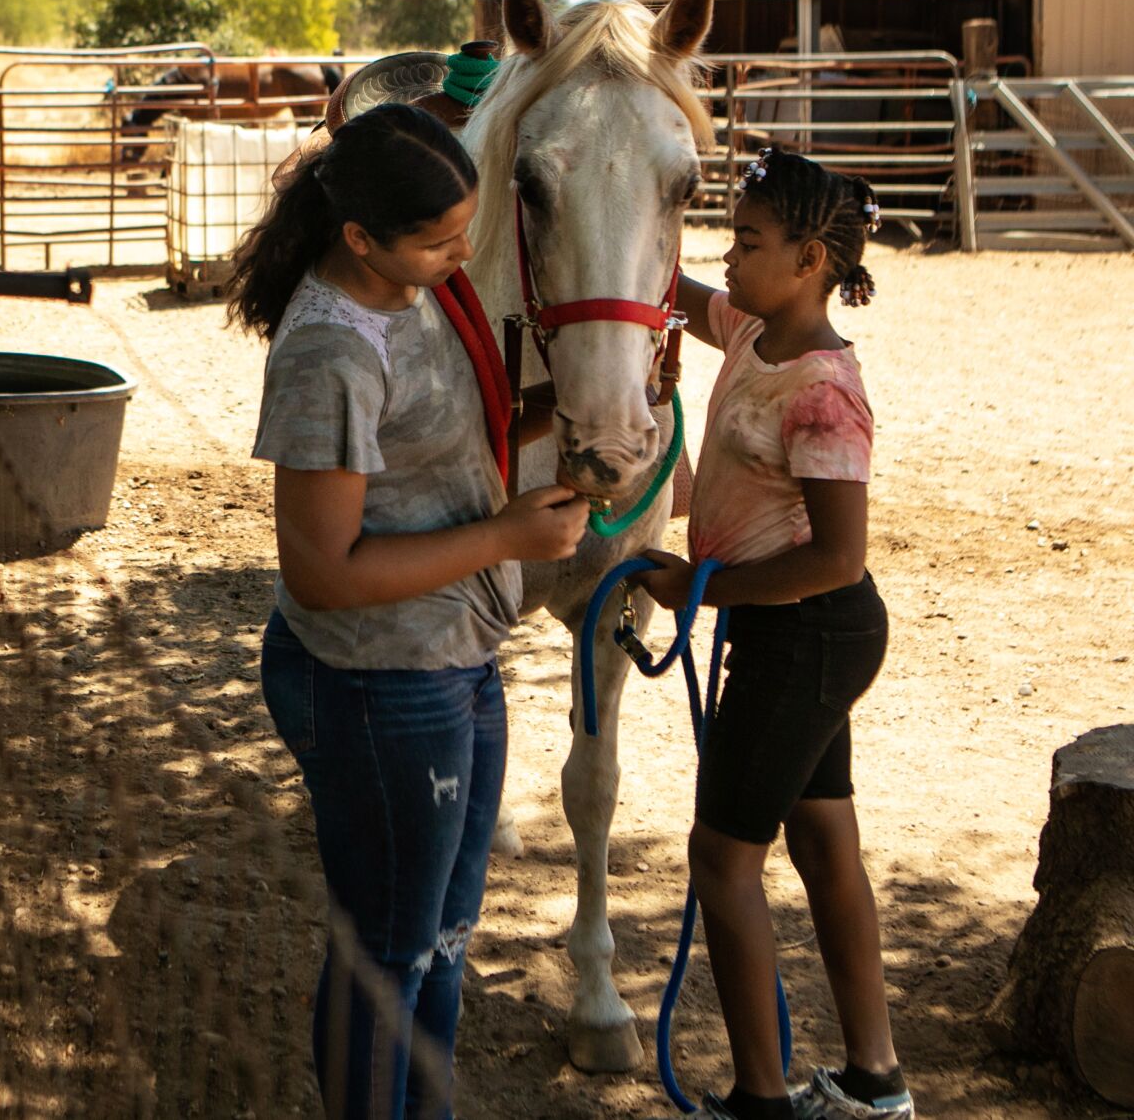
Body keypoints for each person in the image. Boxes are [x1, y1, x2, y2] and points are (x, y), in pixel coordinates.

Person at [229, 102, 588, 1120]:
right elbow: (322, 573)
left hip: (451, 657)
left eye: (463, 228)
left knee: (437, 942)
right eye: (435, 240)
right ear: (357, 239)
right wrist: (506, 540)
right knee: (386, 957)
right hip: (377, 680)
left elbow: (444, 440)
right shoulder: (328, 355)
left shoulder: (412, 291)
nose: (458, 253)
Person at [634, 147, 909, 1120]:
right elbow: (670, 288)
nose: (729, 256)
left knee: (720, 861)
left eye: (746, 242)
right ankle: (874, 1083)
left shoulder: (823, 390)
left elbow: (837, 556)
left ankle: (760, 1098)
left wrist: (701, 590)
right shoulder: (752, 330)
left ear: (807, 261)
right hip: (799, 634)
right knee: (823, 840)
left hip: (803, 632)